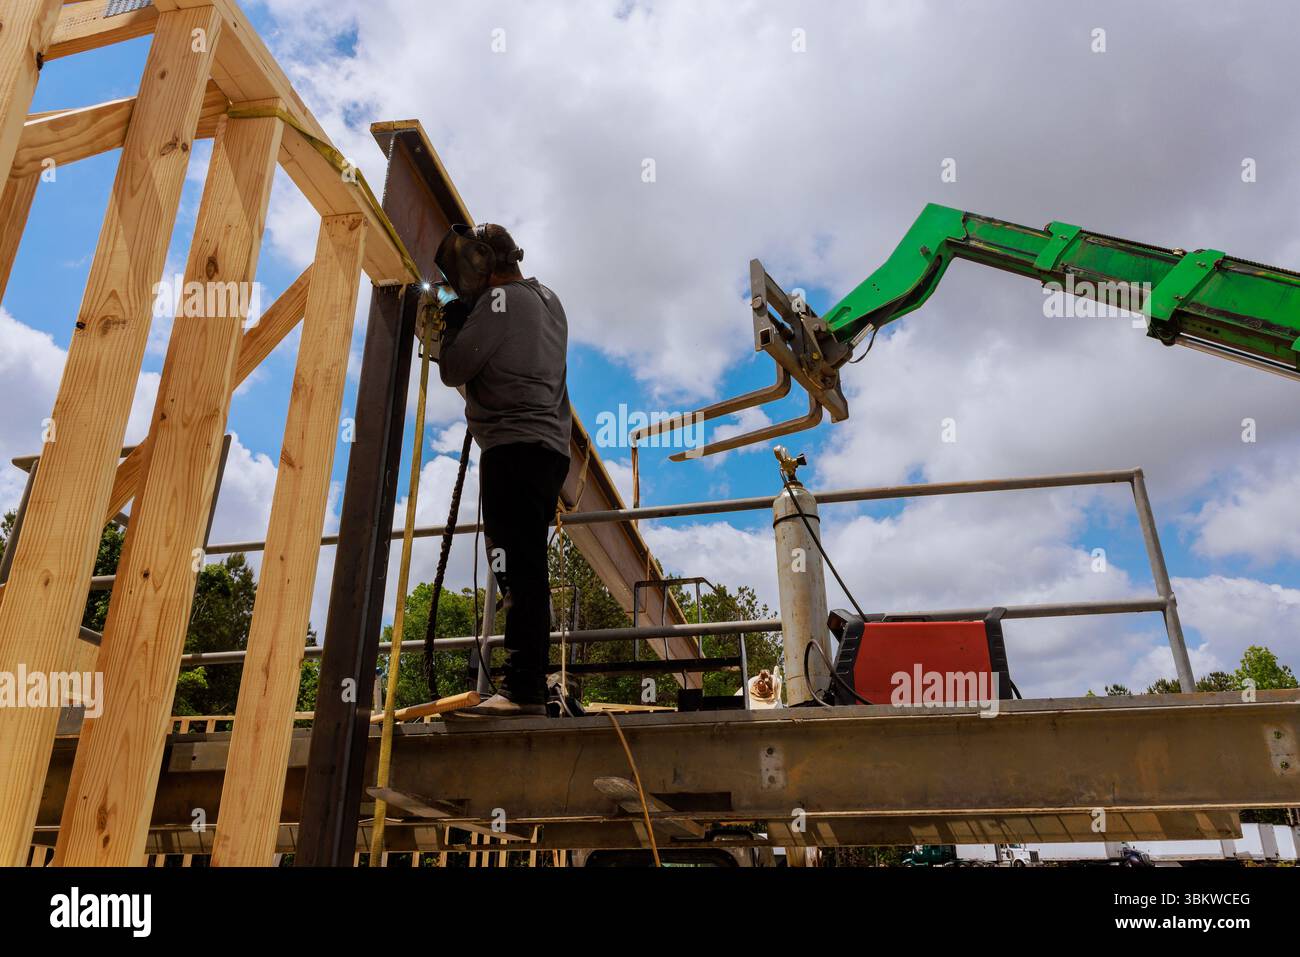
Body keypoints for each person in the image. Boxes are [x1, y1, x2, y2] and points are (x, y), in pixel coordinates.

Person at [435, 224, 571, 717]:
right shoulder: (548, 297)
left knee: (517, 570)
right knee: (526, 567)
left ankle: (522, 689)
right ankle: (527, 683)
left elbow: (454, 368)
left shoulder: (501, 303)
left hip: (514, 449)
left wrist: (452, 326)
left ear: (480, 260)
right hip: (548, 451)